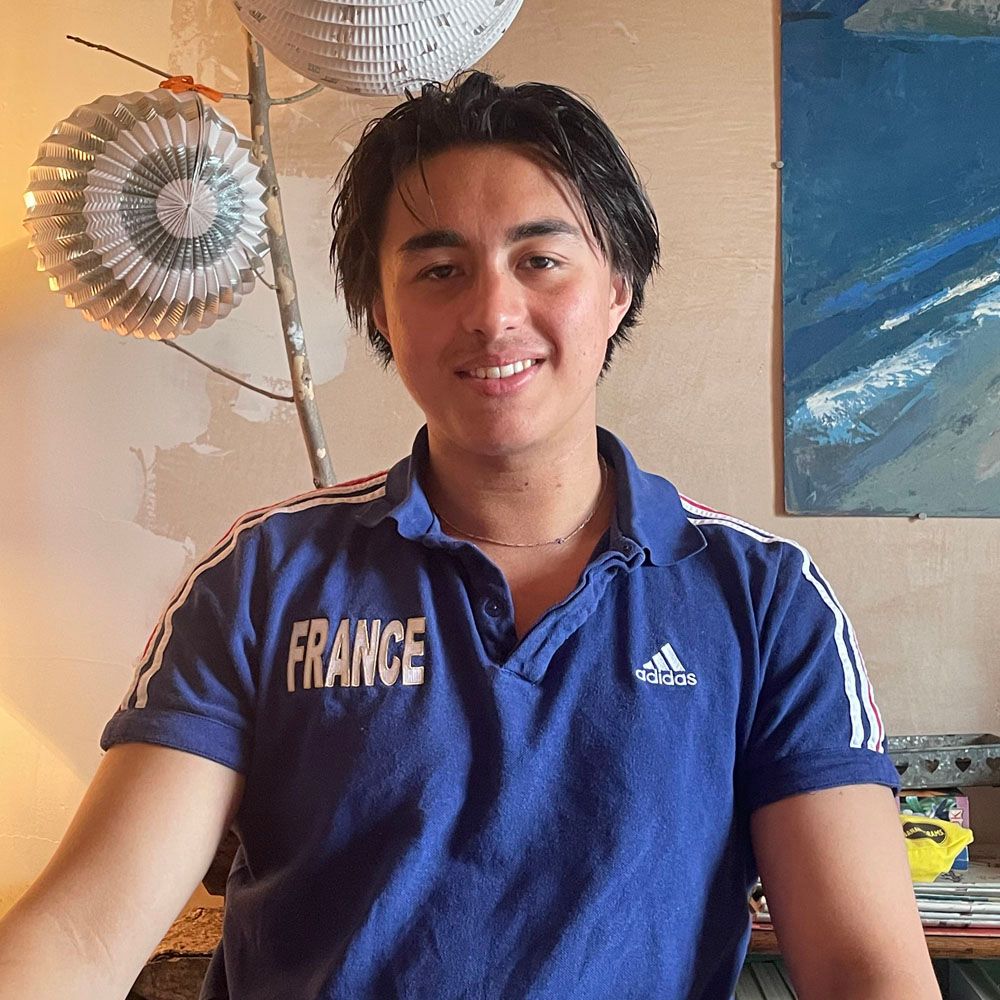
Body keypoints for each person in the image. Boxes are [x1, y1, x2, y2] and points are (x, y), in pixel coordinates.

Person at [0, 72, 939, 1000]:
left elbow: (863, 968)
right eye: (439, 270)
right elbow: (82, 934)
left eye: (541, 260)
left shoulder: (764, 599)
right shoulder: (265, 575)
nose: (492, 314)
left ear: (617, 286)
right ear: (381, 308)